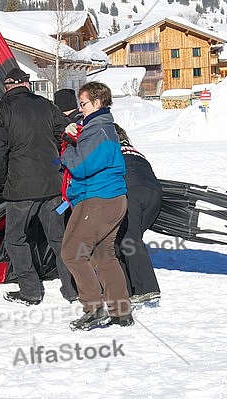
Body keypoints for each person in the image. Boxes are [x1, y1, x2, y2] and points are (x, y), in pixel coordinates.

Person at [0, 67, 78, 306]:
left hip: (20, 190)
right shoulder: (47, 106)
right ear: (27, 84)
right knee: (58, 239)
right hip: (52, 187)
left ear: (7, 87)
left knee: (16, 239)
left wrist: (4, 180)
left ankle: (30, 291)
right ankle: (72, 288)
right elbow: (66, 134)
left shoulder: (1, 111)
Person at [60, 81, 134, 330]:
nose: (80, 109)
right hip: (113, 199)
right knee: (103, 254)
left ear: (98, 103)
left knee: (72, 252)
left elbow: (81, 166)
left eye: (83, 104)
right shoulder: (101, 127)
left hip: (97, 200)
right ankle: (121, 311)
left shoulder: (98, 130)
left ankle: (93, 307)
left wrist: (66, 150)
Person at [114, 123, 162, 304]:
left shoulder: (110, 151)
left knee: (128, 239)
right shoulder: (134, 151)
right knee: (123, 240)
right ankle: (129, 286)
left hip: (132, 193)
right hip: (154, 194)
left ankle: (147, 288)